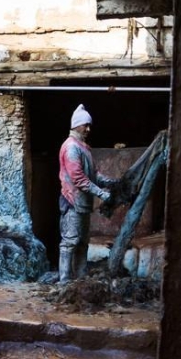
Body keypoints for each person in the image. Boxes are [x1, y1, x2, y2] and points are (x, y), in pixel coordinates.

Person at [58, 104, 118, 283]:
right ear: (77, 125)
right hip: (72, 202)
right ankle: (65, 281)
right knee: (70, 242)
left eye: (89, 125)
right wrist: (102, 194)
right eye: (86, 125)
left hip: (83, 204)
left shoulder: (83, 147)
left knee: (82, 243)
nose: (88, 129)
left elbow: (92, 174)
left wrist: (110, 182)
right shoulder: (71, 148)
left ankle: (80, 280)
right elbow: (78, 179)